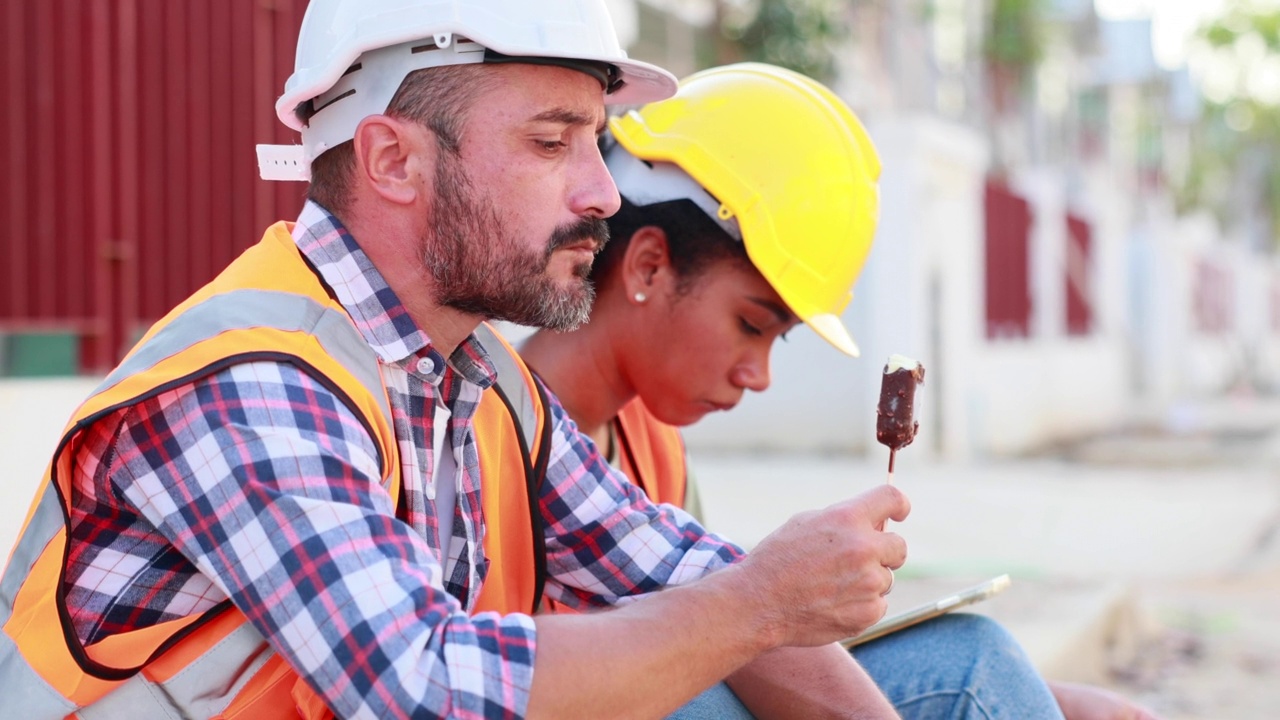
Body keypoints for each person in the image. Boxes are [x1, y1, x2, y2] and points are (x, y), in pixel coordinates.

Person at [0, 2, 910, 719]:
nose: (601, 192)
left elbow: (669, 563)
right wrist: (759, 602)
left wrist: (778, 589)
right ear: (393, 159)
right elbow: (424, 690)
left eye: (597, 141)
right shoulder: (249, 384)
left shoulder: (475, 377)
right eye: (553, 143)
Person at [517, 63, 1162, 720]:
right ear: (649, 265)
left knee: (976, 662)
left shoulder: (650, 451)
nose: (757, 374)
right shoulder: (487, 433)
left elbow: (738, 631)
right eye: (752, 325)